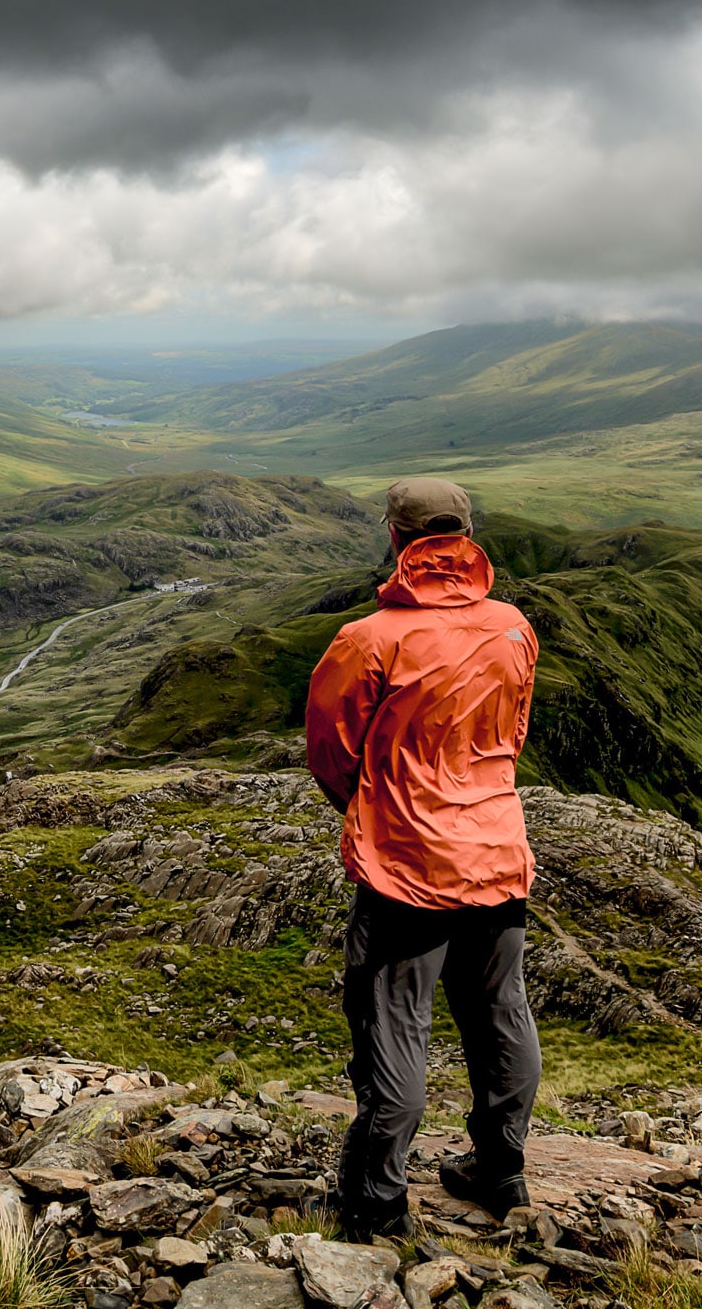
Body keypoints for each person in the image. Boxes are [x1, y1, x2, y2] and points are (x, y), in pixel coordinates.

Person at [304, 476, 542, 1239]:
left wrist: (376, 806)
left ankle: (376, 1204)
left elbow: (331, 753)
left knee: (396, 1025)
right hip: (499, 852)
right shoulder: (513, 628)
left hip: (407, 869)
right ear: (467, 534)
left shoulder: (368, 639)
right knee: (501, 1014)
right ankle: (501, 1172)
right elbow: (511, 735)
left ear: (397, 537)